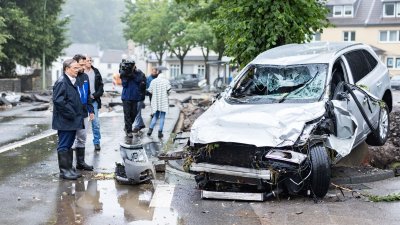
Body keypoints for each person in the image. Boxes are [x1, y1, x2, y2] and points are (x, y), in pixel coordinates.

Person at [52, 59, 84, 180]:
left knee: (69, 144)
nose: (78, 70)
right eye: (75, 68)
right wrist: (71, 114)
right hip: (65, 120)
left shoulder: (70, 81)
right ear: (67, 69)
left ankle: (69, 169)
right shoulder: (62, 82)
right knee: (64, 145)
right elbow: (59, 101)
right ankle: (64, 171)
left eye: (78, 68)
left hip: (71, 120)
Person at [72, 54, 94, 171]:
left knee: (82, 137)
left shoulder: (85, 76)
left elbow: (88, 94)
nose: (83, 67)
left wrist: (91, 110)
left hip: (84, 112)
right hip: (73, 113)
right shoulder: (71, 77)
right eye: (81, 64)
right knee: (71, 139)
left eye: (84, 64)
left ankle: (81, 163)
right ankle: (69, 166)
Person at [120, 60, 146, 138]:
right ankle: (129, 131)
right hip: (126, 97)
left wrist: (132, 75)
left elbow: (140, 80)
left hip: (135, 97)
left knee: (134, 114)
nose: (130, 66)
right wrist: (126, 75)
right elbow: (124, 84)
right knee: (127, 114)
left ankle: (127, 126)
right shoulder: (124, 72)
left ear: (134, 65)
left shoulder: (138, 73)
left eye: (131, 65)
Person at [84, 56, 104, 151]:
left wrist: (95, 95)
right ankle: (78, 143)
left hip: (93, 100)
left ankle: (97, 142)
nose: (89, 62)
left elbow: (101, 86)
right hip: (83, 101)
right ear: (83, 62)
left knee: (95, 122)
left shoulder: (96, 71)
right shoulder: (80, 72)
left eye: (90, 60)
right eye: (87, 60)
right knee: (80, 123)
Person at [147, 72, 171, 138]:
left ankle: (150, 130)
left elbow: (150, 91)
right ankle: (160, 133)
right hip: (163, 102)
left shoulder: (153, 81)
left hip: (156, 101)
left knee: (155, 116)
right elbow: (169, 90)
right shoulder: (166, 81)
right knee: (162, 117)